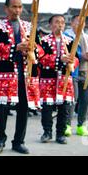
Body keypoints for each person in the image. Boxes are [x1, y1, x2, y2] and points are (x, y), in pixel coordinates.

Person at [0, 0, 40, 155]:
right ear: (6, 8)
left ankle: (19, 141)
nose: (17, 10)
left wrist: (33, 49)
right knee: (2, 108)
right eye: (14, 7)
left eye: (19, 7)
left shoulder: (29, 26)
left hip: (26, 75)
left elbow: (41, 48)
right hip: (6, 74)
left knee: (23, 109)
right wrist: (15, 48)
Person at [37, 15, 78, 145]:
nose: (60, 25)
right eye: (57, 22)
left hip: (65, 79)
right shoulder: (43, 41)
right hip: (48, 78)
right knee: (47, 108)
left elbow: (76, 58)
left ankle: (60, 134)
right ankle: (47, 132)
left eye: (62, 23)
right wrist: (58, 60)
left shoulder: (70, 41)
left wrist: (72, 62)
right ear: (50, 25)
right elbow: (40, 58)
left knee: (64, 108)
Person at [64, 15, 88, 137]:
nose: (80, 24)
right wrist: (82, 56)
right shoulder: (67, 36)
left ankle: (81, 125)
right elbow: (70, 52)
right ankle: (67, 125)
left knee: (86, 101)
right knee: (72, 100)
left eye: (83, 22)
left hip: (87, 72)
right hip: (73, 72)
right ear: (72, 23)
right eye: (77, 21)